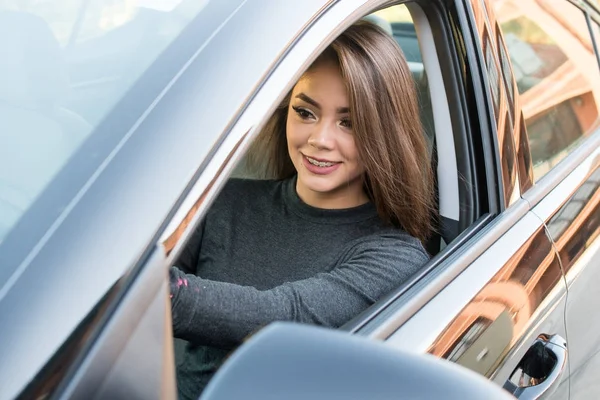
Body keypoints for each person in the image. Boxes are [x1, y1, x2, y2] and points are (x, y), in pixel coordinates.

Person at [169, 20, 435, 400]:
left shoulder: (394, 255)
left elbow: (279, 316)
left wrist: (143, 294)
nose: (319, 139)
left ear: (382, 131)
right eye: (306, 113)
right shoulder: (224, 201)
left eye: (349, 122)